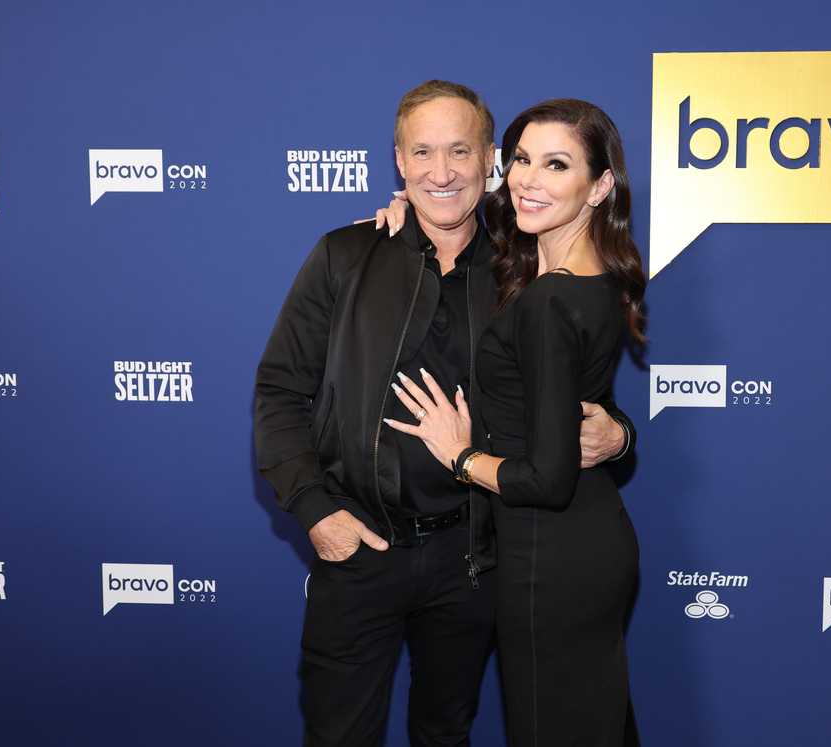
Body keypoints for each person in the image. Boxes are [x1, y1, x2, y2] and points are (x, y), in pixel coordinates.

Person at [253, 81, 636, 747]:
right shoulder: (346, 256)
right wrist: (315, 509)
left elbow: (569, 403)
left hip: (473, 558)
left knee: (445, 733)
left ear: (489, 158)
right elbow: (281, 390)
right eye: (422, 152)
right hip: (360, 548)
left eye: (460, 150)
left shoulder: (523, 266)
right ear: (398, 162)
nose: (440, 171)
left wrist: (623, 434)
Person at [383, 98, 646, 746]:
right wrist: (403, 216)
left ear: (601, 184)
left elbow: (547, 477)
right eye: (522, 159)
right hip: (582, 545)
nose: (528, 179)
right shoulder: (592, 278)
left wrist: (459, 455)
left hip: (548, 558)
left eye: (556, 164)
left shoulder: (552, 297)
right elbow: (574, 414)